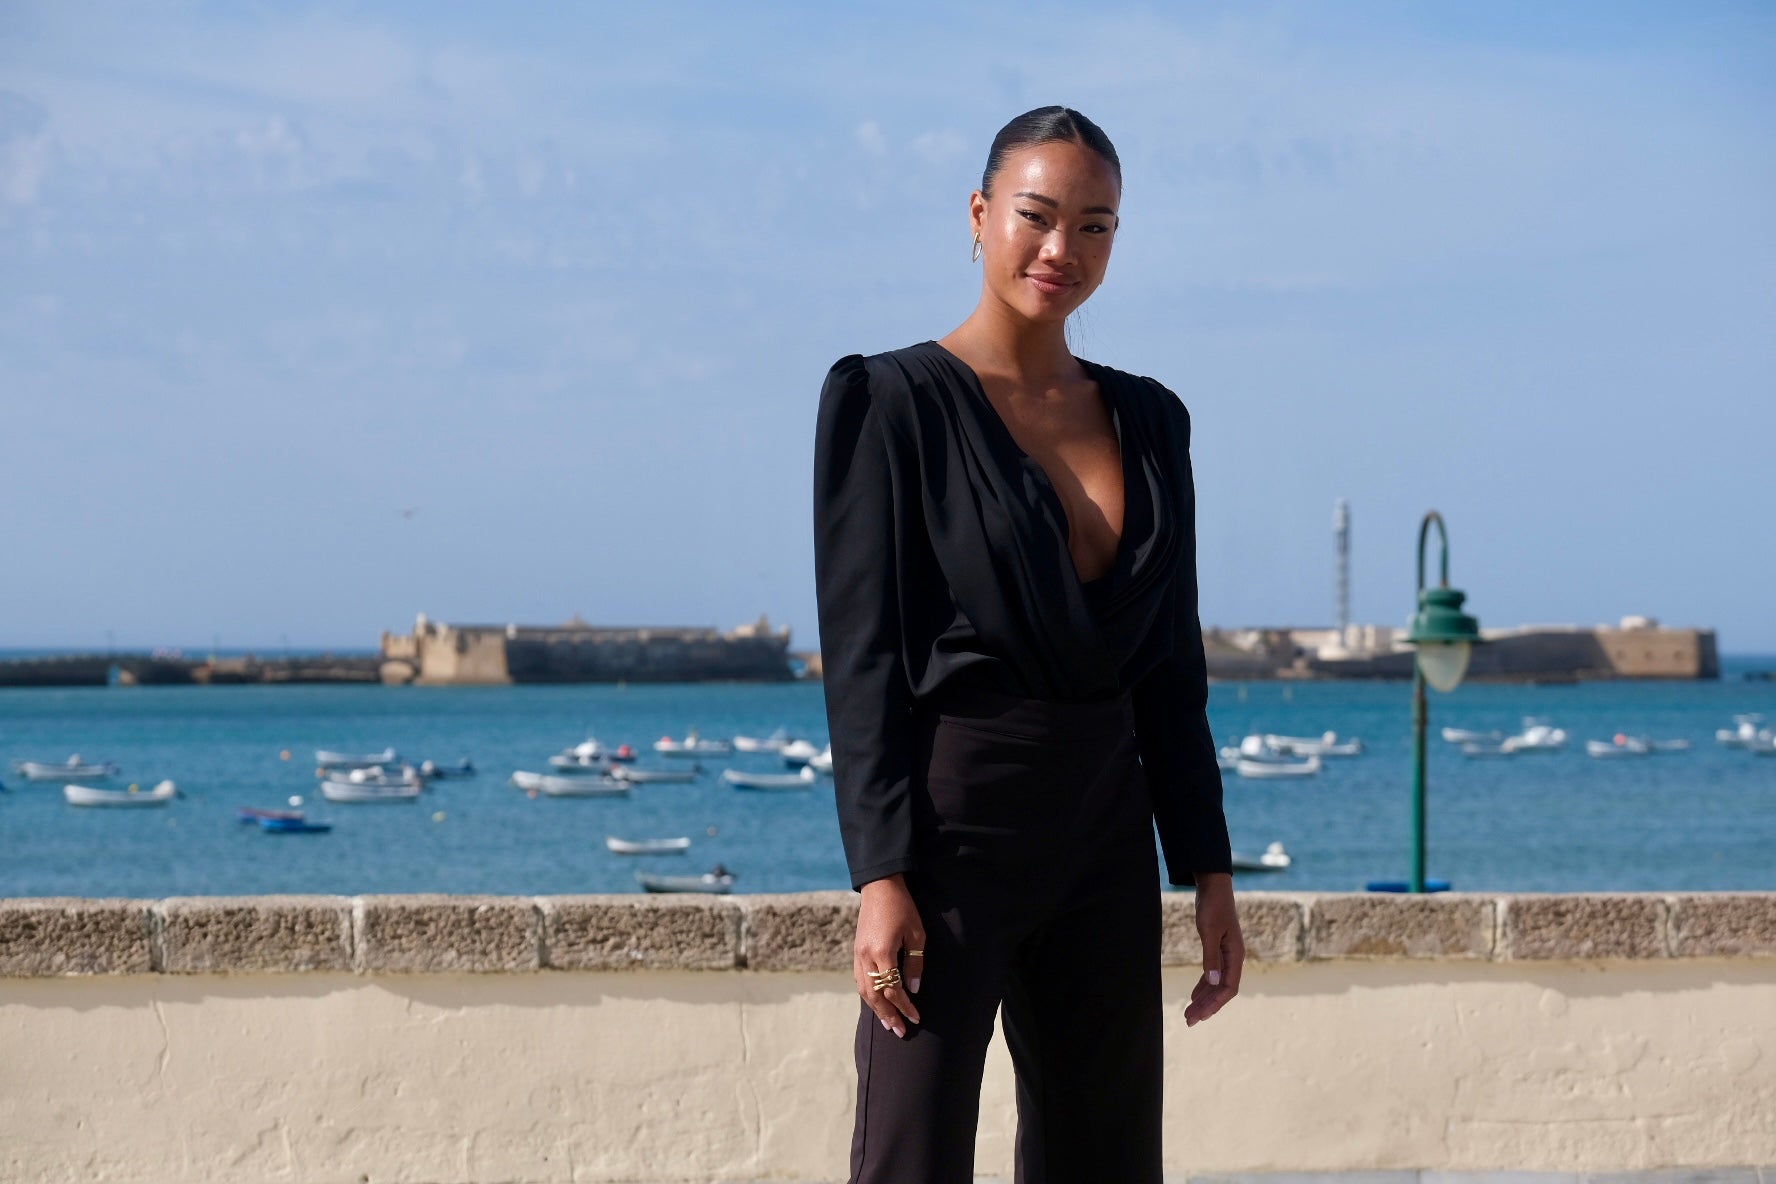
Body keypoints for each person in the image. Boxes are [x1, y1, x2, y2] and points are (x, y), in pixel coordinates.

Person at [811, 106, 1245, 1184]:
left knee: (1102, 1155)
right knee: (910, 1154)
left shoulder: (1150, 420)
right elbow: (862, 655)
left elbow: (1169, 668)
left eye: (1096, 226)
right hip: (956, 828)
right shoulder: (892, 402)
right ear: (978, 214)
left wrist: (1209, 866)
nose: (1064, 250)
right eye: (1038, 217)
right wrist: (881, 873)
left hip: (1107, 830)